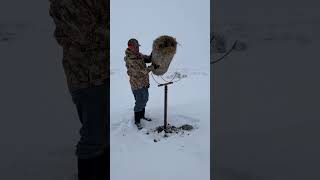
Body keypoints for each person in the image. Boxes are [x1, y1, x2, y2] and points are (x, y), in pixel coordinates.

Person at [49, 0, 109, 179]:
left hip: (102, 74)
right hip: (88, 77)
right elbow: (84, 34)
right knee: (94, 138)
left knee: (103, 135)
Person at [124, 38, 159, 129]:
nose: (138, 48)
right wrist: (151, 68)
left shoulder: (139, 55)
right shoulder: (130, 59)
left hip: (144, 83)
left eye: (138, 46)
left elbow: (148, 59)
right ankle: (137, 120)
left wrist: (154, 52)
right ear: (130, 47)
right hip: (136, 85)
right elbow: (138, 73)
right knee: (139, 102)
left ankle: (142, 116)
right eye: (136, 47)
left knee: (145, 99)